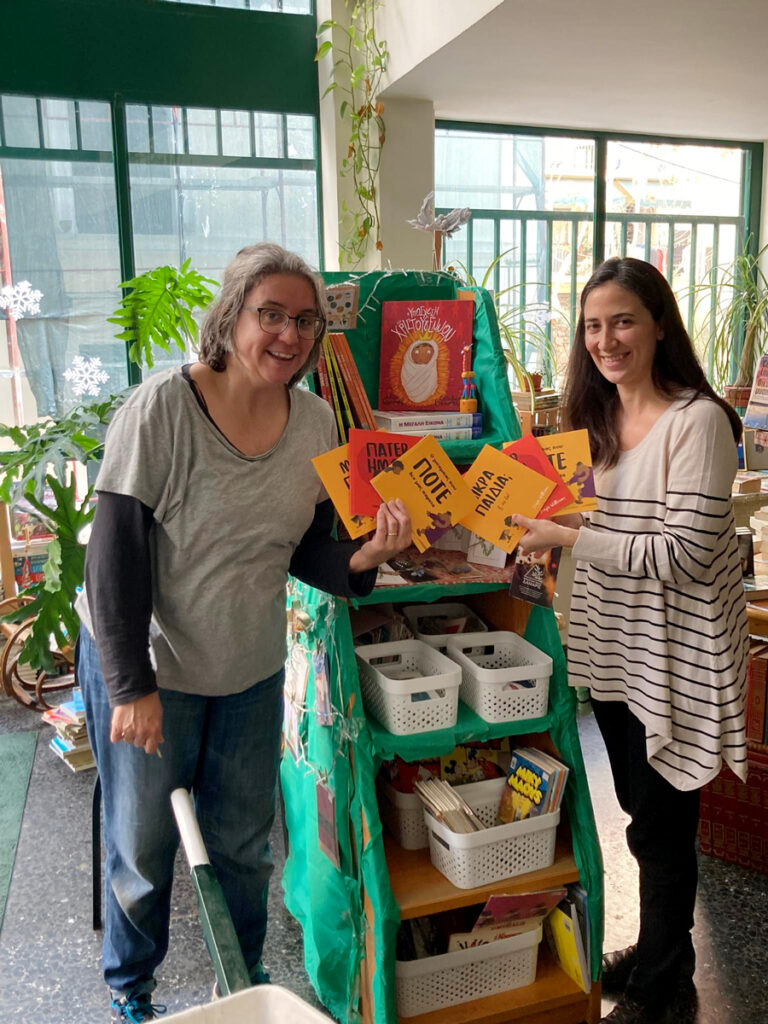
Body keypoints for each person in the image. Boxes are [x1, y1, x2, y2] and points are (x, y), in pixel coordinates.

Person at [76, 243, 412, 1023]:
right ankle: (132, 989)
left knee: (241, 843)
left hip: (250, 668)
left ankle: (243, 979)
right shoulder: (163, 408)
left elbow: (307, 551)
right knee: (144, 845)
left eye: (306, 320)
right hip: (153, 665)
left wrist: (366, 557)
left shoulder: (317, 423)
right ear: (231, 317)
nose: (290, 334)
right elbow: (113, 554)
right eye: (272, 315)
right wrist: (130, 685)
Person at [511, 257, 747, 1024]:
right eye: (593, 326)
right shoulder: (595, 420)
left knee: (666, 826)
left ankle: (663, 984)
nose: (606, 339)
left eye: (622, 321)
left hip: (674, 659)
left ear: (659, 326)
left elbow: (684, 554)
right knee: (643, 817)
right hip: (614, 649)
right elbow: (593, 525)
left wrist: (570, 536)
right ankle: (655, 951)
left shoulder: (699, 422)